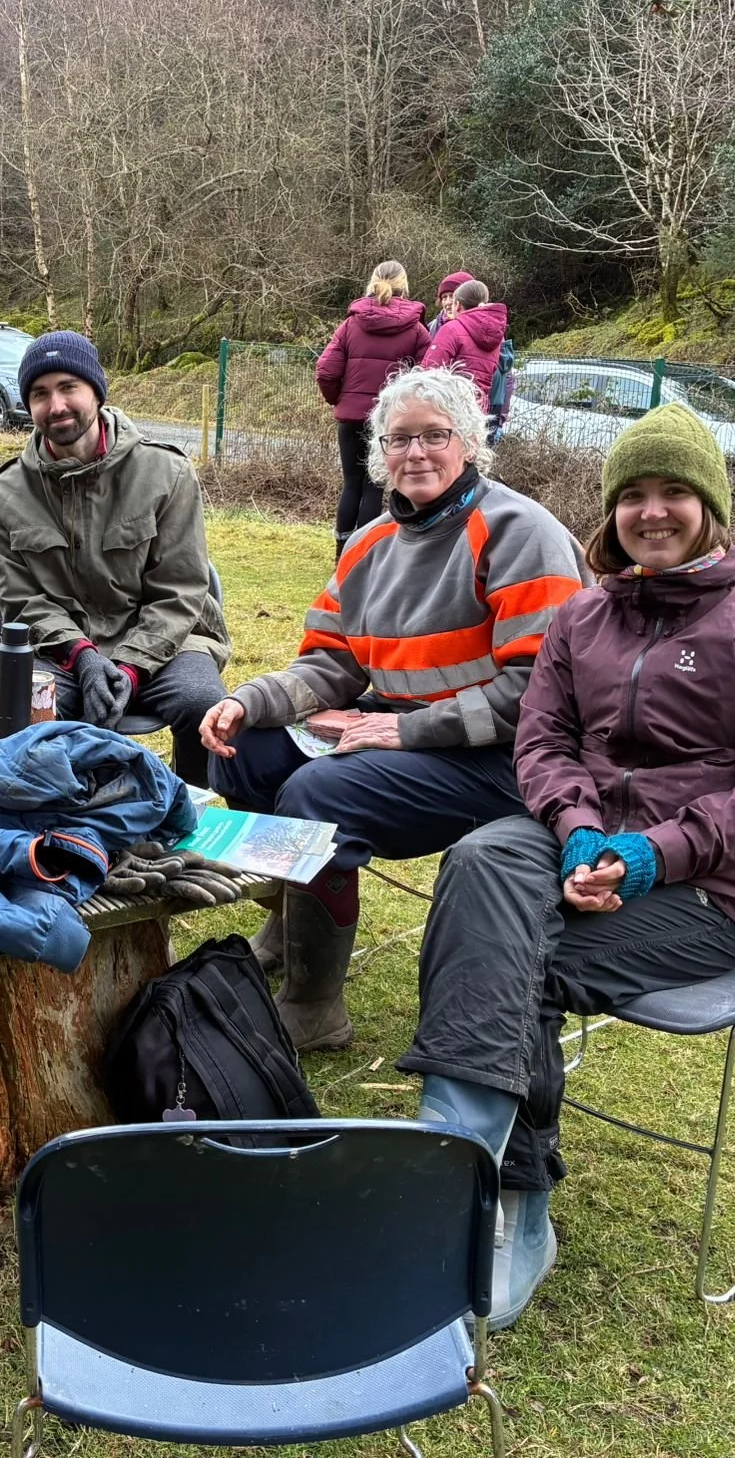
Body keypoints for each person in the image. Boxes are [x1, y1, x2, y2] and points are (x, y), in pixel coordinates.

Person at [395, 404, 735, 1329]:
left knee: (515, 969)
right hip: (576, 844)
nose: (653, 510)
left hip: (710, 890)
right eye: (633, 494)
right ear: (611, 513)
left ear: (709, 504)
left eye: (674, 491)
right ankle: (454, 1167)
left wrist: (651, 852)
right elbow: (543, 743)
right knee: (480, 856)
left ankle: (507, 1200)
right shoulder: (584, 615)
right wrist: (582, 828)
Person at [199, 368, 587, 1052]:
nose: (417, 453)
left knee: (318, 796)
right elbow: (332, 663)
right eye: (399, 438)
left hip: (509, 761)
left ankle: (314, 1007)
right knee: (244, 750)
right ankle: (292, 927)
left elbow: (538, 695)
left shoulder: (520, 532)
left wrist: (402, 731)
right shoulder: (367, 542)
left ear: (469, 442)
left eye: (435, 437)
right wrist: (247, 702)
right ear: (378, 450)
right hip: (409, 734)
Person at [0, 331, 232, 786]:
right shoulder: (3, 494)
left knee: (201, 704)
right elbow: (19, 599)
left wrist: (132, 668)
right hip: (62, 652)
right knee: (27, 711)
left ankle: (192, 813)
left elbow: (181, 590)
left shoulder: (167, 473)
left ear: (96, 391)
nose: (56, 405)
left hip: (169, 645)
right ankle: (64, 824)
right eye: (40, 393)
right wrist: (82, 656)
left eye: (68, 387)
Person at [316, 260, 431, 556]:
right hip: (389, 419)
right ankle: (364, 554)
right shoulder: (417, 331)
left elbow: (326, 371)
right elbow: (426, 377)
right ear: (404, 286)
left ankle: (341, 553)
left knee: (351, 484)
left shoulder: (350, 325)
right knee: (374, 486)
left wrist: (339, 399)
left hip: (351, 417)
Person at [422, 277, 509, 408]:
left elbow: (428, 372)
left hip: (450, 408)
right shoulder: (495, 335)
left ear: (457, 304)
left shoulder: (452, 329)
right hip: (477, 410)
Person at [428, 270, 472, 335]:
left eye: (452, 296)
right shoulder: (431, 328)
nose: (448, 302)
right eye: (444, 297)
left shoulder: (479, 325)